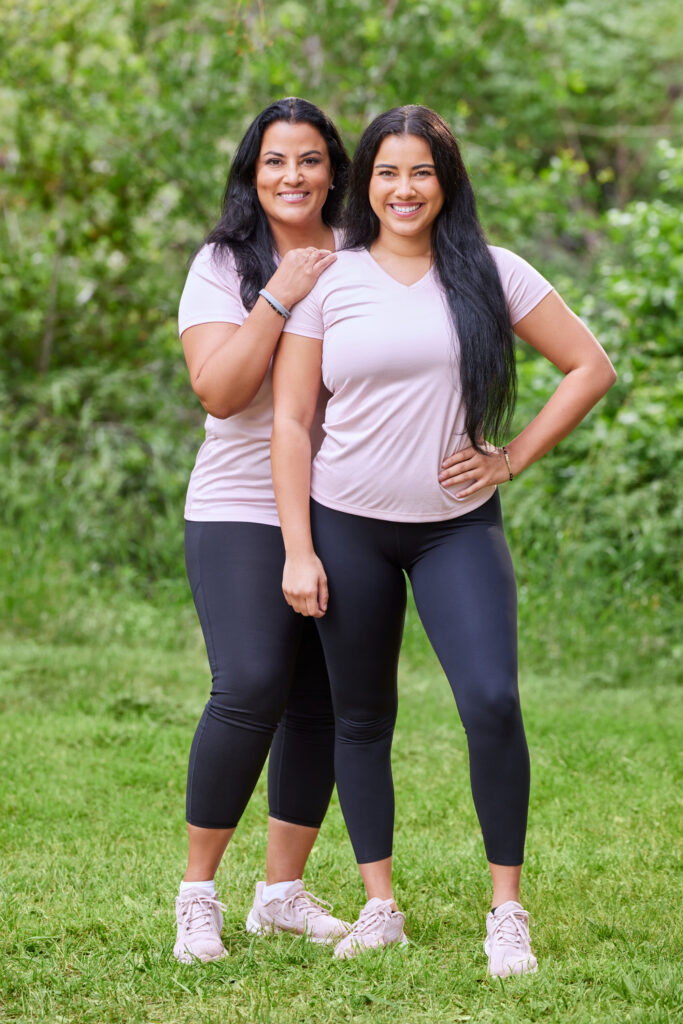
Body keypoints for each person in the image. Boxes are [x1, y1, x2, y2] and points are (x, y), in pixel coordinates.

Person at [270, 105, 616, 974]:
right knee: (361, 717)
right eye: (386, 172)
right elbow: (290, 418)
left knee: (492, 701)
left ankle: (507, 909)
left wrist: (512, 459)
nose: (402, 189)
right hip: (346, 525)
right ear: (366, 185)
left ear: (445, 181)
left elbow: (590, 367)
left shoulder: (491, 272)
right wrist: (298, 547)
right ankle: (378, 903)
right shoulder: (333, 281)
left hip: (456, 529)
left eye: (420, 171)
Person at [174, 98, 352, 963]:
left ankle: (281, 892)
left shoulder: (364, 258)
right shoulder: (221, 264)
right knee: (248, 685)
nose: (293, 176)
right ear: (253, 171)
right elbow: (220, 390)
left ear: (332, 171)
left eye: (310, 159)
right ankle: (197, 894)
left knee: (320, 699)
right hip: (238, 506)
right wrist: (281, 292)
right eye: (276, 160)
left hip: (345, 505)